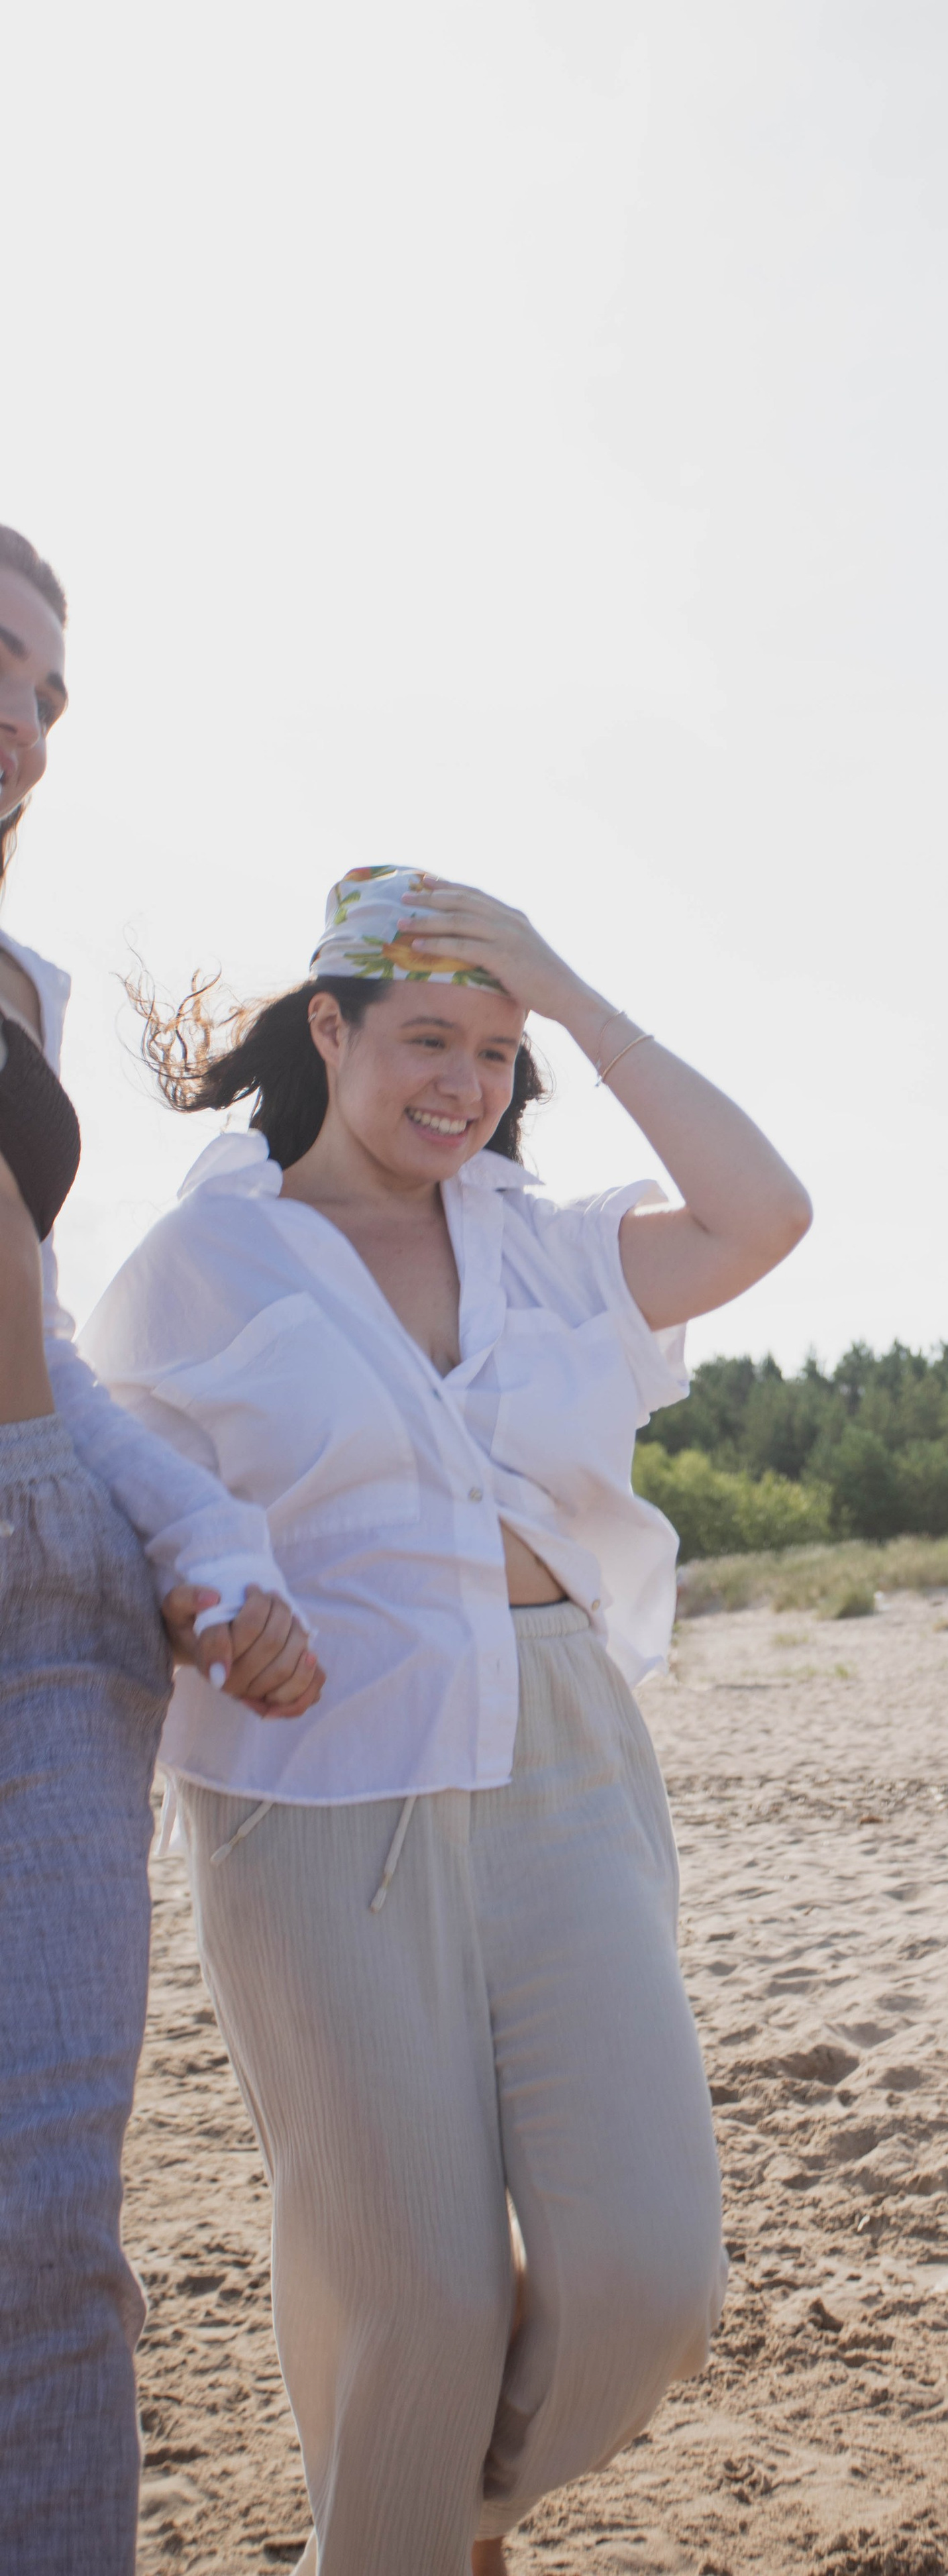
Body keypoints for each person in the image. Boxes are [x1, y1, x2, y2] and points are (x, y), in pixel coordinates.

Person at [86, 863, 813, 2575]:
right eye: (425, 1036)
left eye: (495, 1050)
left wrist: (567, 985)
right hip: (317, 1787)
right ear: (327, 1030)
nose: (463, 1083)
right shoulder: (203, 1256)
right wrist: (213, 1609)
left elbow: (763, 1214)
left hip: (565, 1755)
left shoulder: (549, 1248)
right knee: (411, 2288)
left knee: (649, 2276)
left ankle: (442, 2513)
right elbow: (137, 1500)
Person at [0, 524, 319, 2575]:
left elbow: (54, 1350)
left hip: (46, 1597)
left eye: (42, 689)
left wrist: (199, 1540)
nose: (20, 719)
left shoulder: (14, 987)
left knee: (38, 2225)